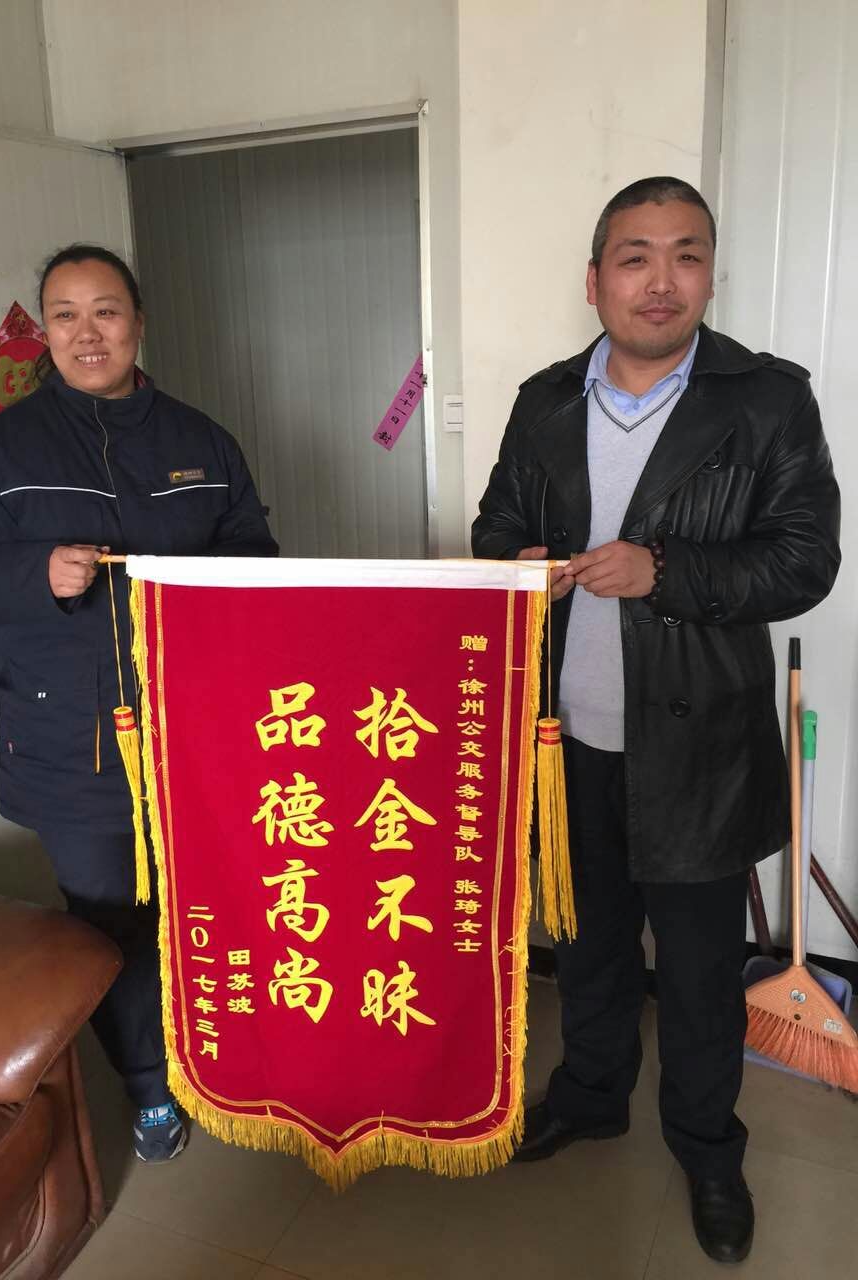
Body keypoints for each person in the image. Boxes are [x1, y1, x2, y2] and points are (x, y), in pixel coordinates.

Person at [472, 177, 840, 1264]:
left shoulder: (766, 400)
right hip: (568, 739)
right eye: (635, 256)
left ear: (710, 275)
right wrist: (516, 563)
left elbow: (805, 560)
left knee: (696, 972)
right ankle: (591, 1096)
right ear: (595, 280)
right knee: (587, 947)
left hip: (699, 748)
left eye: (686, 254)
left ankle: (709, 1148)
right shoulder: (545, 400)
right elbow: (495, 525)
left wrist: (664, 570)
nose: (661, 279)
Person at [0, 244, 278, 1162]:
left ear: (137, 323)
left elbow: (257, 556)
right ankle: (151, 1086)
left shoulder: (201, 441)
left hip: (199, 730)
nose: (88, 333)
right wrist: (33, 573)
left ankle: (224, 1057)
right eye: (65, 315)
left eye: (106, 311)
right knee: (110, 921)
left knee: (212, 901)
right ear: (45, 332)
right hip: (69, 739)